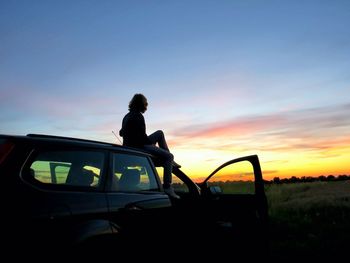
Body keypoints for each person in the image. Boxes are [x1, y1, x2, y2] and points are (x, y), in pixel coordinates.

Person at [119, 93, 180, 199]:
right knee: (169, 156)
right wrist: (152, 145)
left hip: (130, 145)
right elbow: (142, 138)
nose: (146, 106)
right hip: (139, 146)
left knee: (160, 133)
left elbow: (121, 132)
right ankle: (167, 186)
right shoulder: (138, 116)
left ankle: (169, 160)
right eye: (145, 104)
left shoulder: (126, 116)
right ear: (141, 104)